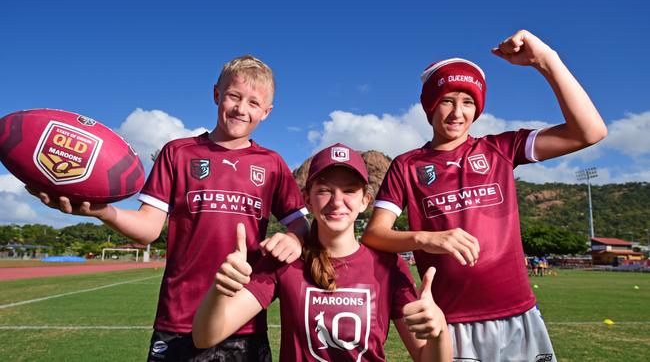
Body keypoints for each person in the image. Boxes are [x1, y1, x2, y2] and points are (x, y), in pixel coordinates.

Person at [29, 55, 309, 361]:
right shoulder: (178, 152)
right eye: (234, 96)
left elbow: (301, 226)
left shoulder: (272, 164)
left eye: (254, 103)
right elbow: (148, 229)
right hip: (178, 318)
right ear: (216, 94)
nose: (242, 109)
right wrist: (101, 211)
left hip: (241, 318)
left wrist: (294, 238)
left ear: (267, 112)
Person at [362, 29, 607, 361]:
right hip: (453, 326)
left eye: (467, 102)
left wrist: (546, 60)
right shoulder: (407, 165)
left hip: (519, 316)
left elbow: (590, 131)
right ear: (430, 106)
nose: (457, 112)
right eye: (447, 100)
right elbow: (375, 235)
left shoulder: (500, 149)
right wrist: (428, 239)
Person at [193, 143, 453, 362]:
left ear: (365, 200)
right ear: (307, 199)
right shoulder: (285, 260)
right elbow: (206, 336)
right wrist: (219, 291)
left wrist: (439, 329)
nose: (337, 201)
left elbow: (426, 358)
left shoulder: (388, 266)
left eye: (349, 190)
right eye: (325, 190)